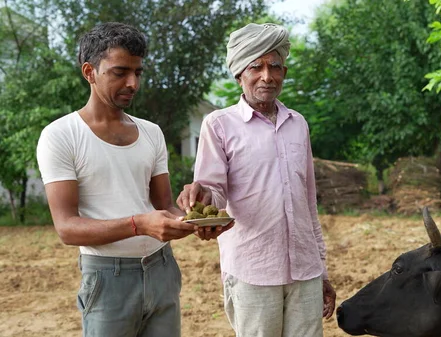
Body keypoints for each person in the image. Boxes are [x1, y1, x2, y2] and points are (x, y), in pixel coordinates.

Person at [36, 22, 224, 337]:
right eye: (120, 72)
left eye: (138, 72)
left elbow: (163, 204)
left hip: (161, 268)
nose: (133, 83)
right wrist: (139, 224)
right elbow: (67, 228)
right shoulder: (61, 136)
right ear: (89, 71)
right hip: (108, 277)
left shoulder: (151, 132)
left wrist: (193, 222)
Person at [176, 23, 336, 337]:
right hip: (253, 270)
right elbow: (215, 190)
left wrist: (322, 270)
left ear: (284, 73)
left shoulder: (297, 124)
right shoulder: (219, 124)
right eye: (256, 67)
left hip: (305, 271)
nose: (267, 76)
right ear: (240, 74)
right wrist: (202, 195)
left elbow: (308, 203)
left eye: (274, 67)